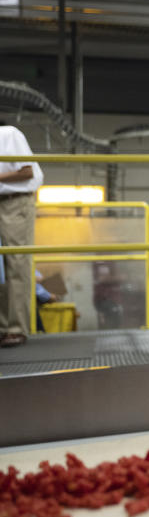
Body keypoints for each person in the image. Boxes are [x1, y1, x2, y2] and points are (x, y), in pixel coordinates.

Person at [0, 122, 44, 348]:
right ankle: (3, 327)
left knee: (17, 263)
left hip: (14, 202)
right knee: (2, 269)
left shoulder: (8, 134)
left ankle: (16, 328)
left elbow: (26, 171)